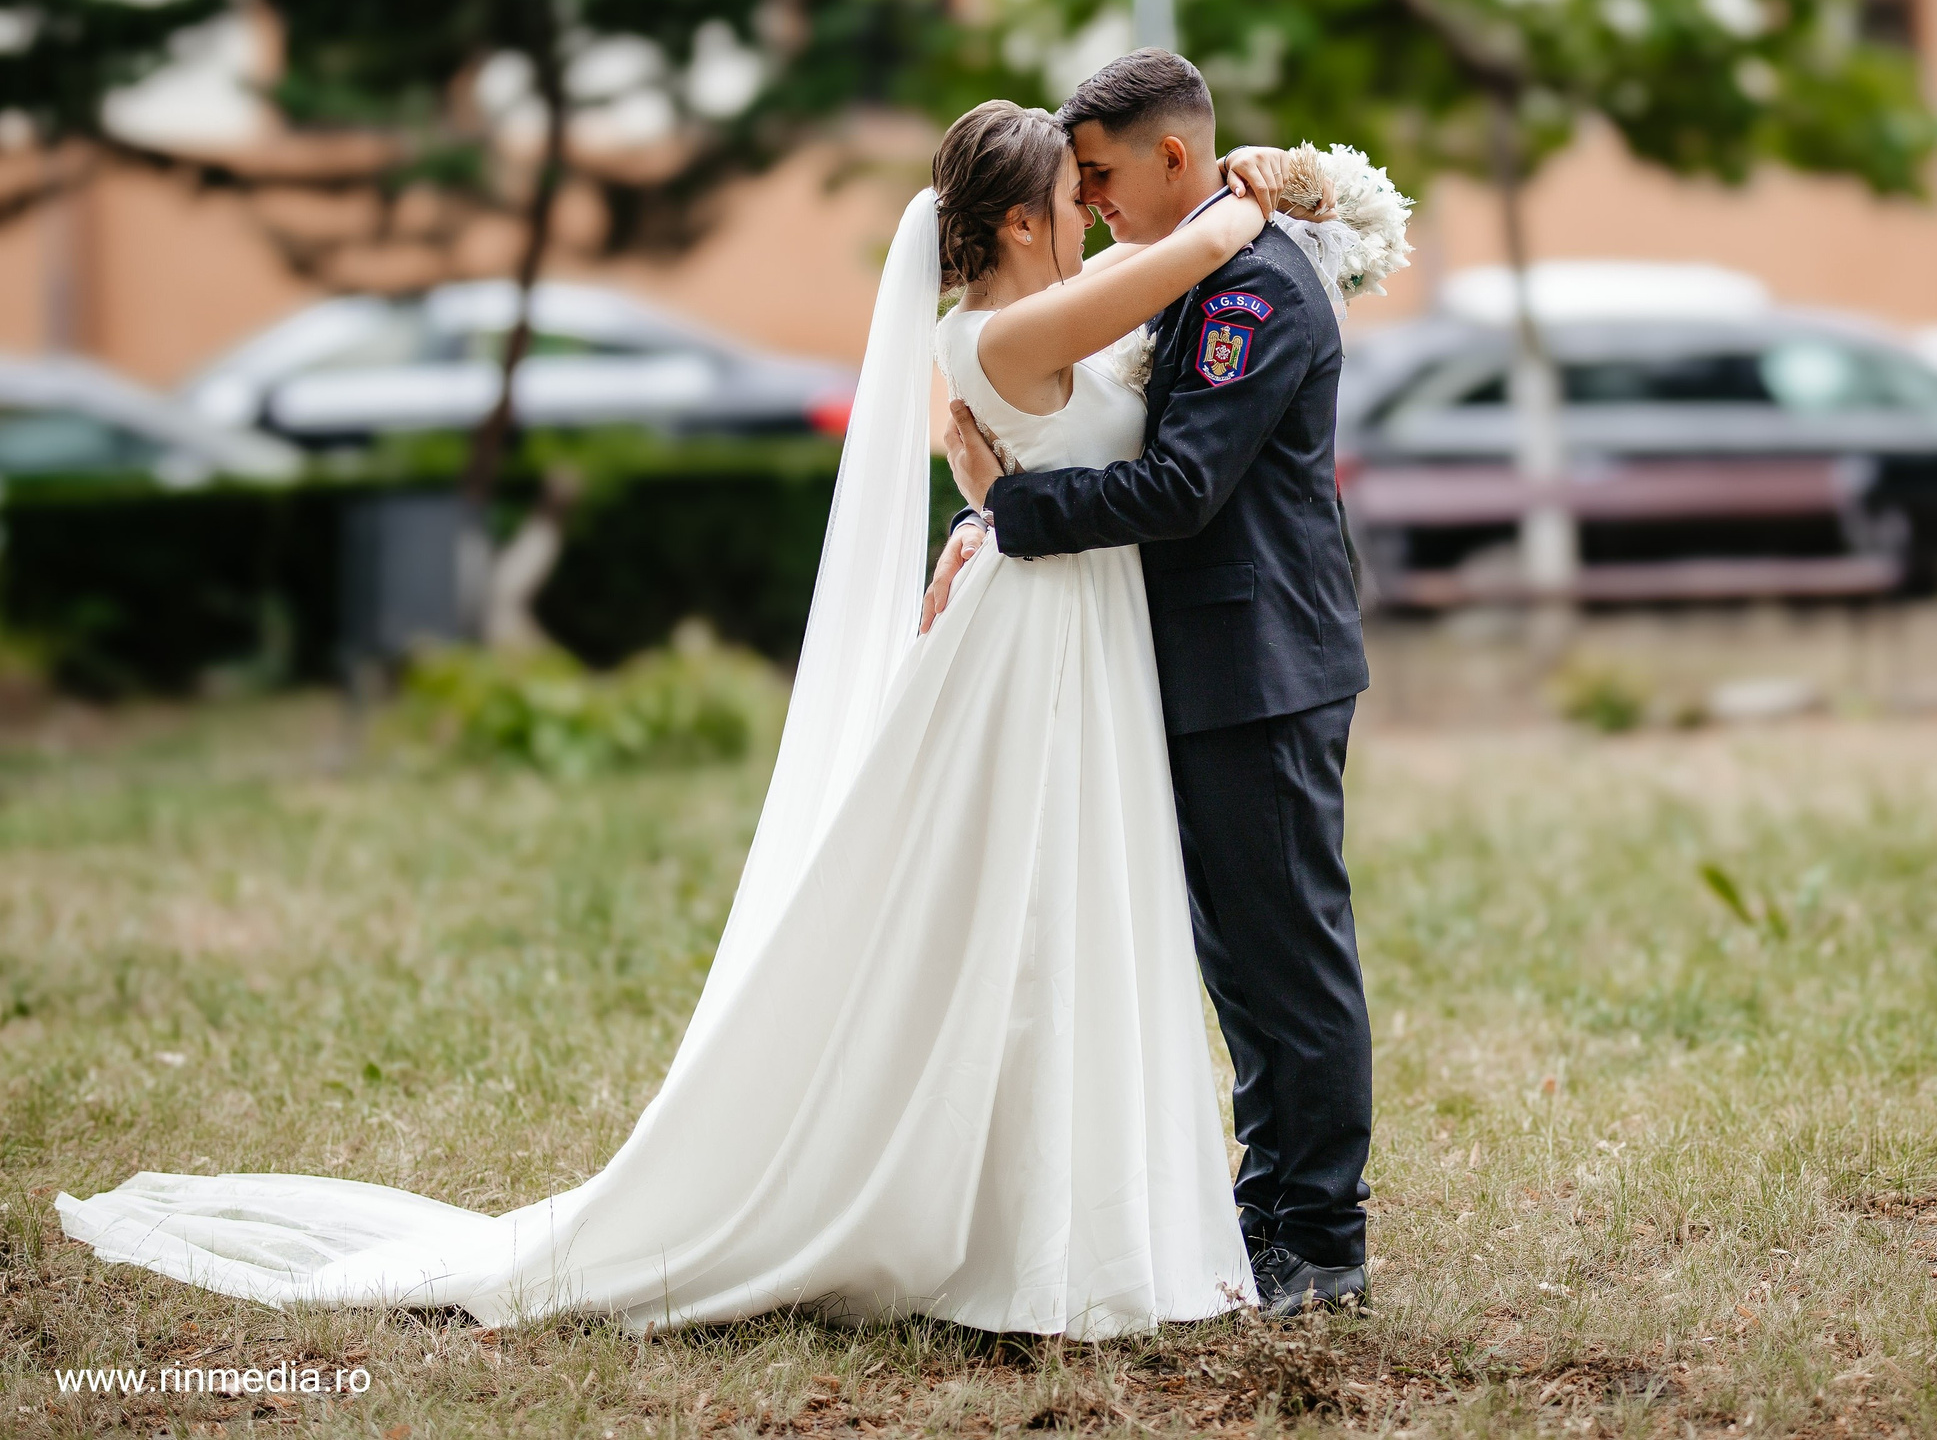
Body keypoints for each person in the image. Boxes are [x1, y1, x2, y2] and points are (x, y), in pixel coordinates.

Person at [56, 102, 1287, 1339]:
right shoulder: (1013, 327)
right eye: (1076, 194)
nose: (1094, 210)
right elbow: (1187, 254)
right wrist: (1274, 186)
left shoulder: (1025, 316)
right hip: (1040, 652)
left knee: (1061, 900)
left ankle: (1049, 1198)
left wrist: (986, 507)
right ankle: (1003, 1212)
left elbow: (1124, 318)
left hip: (1066, 626)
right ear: (1022, 220)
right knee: (1025, 900)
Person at [928, 48, 1374, 1316]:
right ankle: (1265, 1208)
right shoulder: (1186, 277)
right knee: (1237, 962)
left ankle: (1320, 1235)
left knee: (1288, 960)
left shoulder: (1251, 297)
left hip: (1261, 667)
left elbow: (1180, 489)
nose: (1098, 199)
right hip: (1199, 664)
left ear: (1174, 155)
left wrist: (1008, 510)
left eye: (1106, 173)